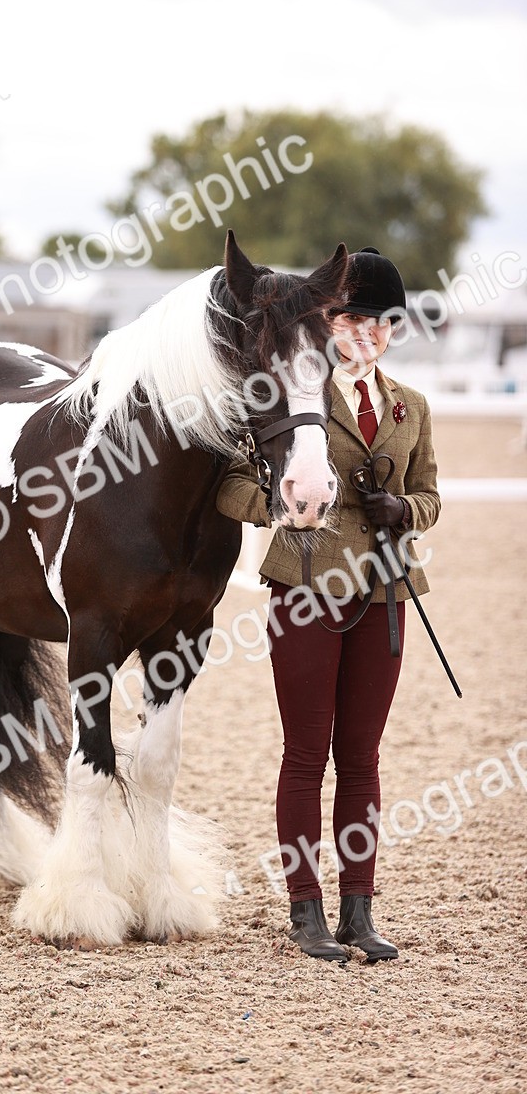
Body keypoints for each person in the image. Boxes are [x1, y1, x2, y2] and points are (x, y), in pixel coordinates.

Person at [217, 246, 441, 961]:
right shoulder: (292, 390)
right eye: (350, 317)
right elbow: (228, 483)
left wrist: (402, 508)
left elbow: (433, 494)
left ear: (393, 329)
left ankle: (359, 911)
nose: (364, 331)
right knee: (307, 754)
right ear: (327, 320)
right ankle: (305, 911)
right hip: (306, 582)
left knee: (364, 757)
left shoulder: (412, 405)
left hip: (385, 589)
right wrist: (276, 511)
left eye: (378, 321)